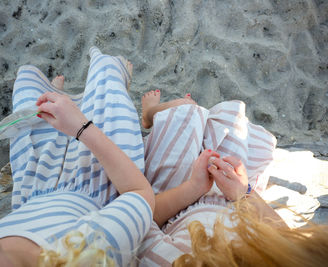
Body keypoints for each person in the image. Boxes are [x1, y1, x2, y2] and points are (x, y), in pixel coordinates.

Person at [0, 47, 155, 267]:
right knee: (105, 73)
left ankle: (58, 93)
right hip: (98, 183)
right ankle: (102, 84)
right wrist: (81, 127)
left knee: (28, 90)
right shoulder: (84, 252)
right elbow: (141, 194)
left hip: (34, 185)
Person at [136, 90, 328, 266]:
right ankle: (193, 121)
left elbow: (142, 218)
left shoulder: (177, 260)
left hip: (175, 199)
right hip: (234, 199)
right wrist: (245, 193)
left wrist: (193, 188)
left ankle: (150, 115)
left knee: (186, 111)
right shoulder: (287, 255)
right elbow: (282, 232)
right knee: (237, 126)